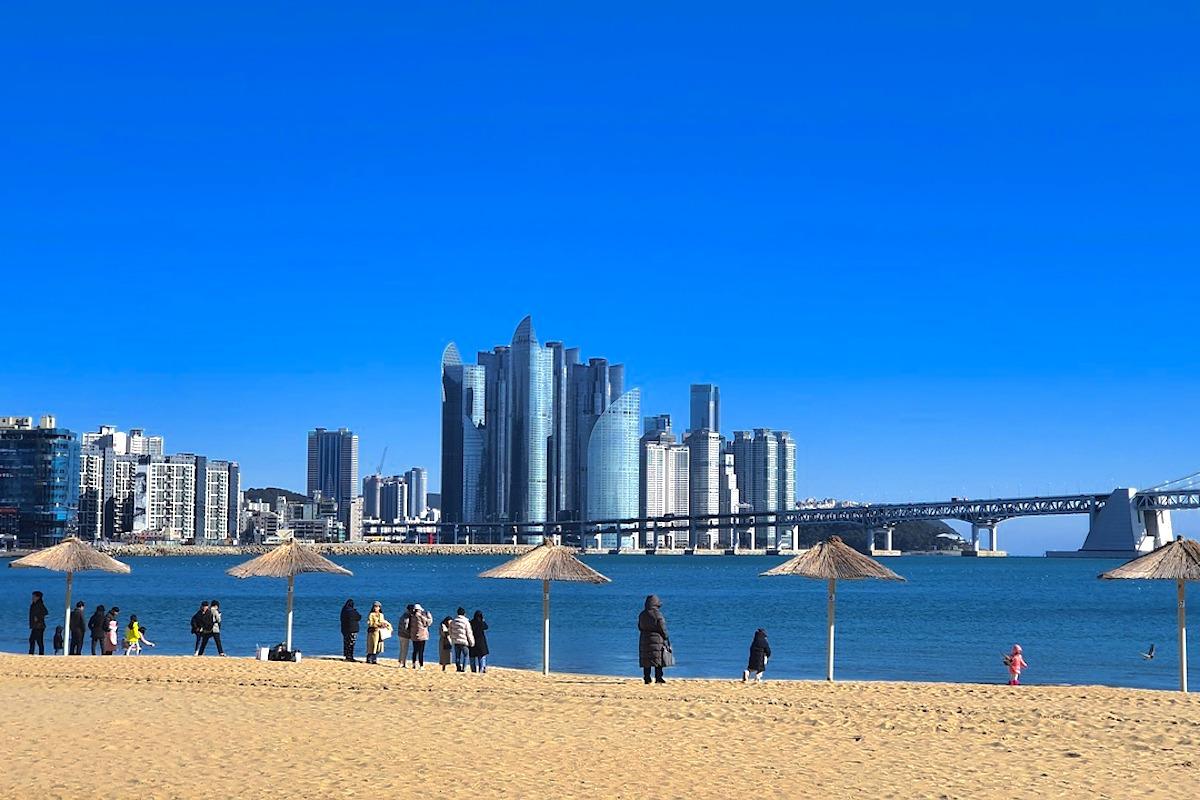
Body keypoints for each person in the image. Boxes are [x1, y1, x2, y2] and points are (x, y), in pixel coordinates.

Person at [637, 594, 669, 685]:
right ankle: (658, 677)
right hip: (657, 638)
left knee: (646, 659)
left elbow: (639, 626)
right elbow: (662, 627)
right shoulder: (657, 614)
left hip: (644, 638)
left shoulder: (642, 614)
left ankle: (647, 678)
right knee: (658, 659)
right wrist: (665, 636)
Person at [448, 607, 475, 672]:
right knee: (466, 655)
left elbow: (450, 631)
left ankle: (458, 668)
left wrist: (452, 638)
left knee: (457, 656)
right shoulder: (466, 622)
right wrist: (472, 642)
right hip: (464, 641)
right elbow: (469, 633)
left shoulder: (453, 621)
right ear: (464, 614)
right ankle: (464, 668)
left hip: (456, 641)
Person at [406, 603, 433, 669]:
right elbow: (427, 623)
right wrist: (429, 616)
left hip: (414, 636)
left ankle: (414, 664)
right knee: (421, 651)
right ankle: (421, 665)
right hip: (422, 636)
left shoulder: (412, 617)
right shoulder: (420, 617)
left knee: (415, 650)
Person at [28, 591, 48, 655]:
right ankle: (31, 652)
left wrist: (38, 617)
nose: (32, 598)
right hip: (35, 626)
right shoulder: (33, 604)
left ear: (38, 597)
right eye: (32, 596)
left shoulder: (40, 604)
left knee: (39, 641)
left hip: (39, 626)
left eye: (34, 596)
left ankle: (41, 653)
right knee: (32, 639)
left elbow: (46, 612)